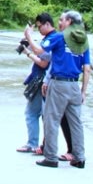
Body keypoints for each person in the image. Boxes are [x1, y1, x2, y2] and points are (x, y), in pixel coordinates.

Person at [25, 9, 89, 169]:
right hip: (74, 84)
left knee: (51, 119)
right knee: (76, 123)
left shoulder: (60, 37)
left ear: (70, 23)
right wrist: (83, 91)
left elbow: (40, 51)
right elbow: (86, 68)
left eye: (62, 20)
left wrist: (28, 38)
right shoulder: (83, 41)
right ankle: (79, 158)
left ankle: (51, 157)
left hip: (59, 83)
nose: (59, 23)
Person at [17, 13, 53, 153]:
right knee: (46, 115)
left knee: (31, 113)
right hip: (49, 81)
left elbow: (43, 62)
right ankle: (44, 146)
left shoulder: (51, 40)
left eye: (39, 27)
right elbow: (38, 51)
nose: (39, 30)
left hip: (42, 80)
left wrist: (27, 51)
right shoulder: (52, 39)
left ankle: (33, 144)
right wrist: (28, 40)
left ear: (47, 24)